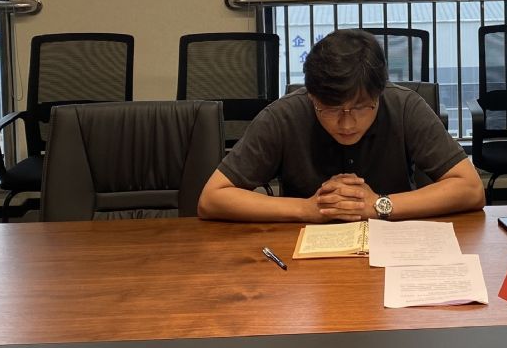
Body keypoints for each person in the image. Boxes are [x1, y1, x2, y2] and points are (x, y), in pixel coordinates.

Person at [198, 28, 485, 222]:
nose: (347, 124)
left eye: (360, 108)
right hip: (302, 257)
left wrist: (378, 205)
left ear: (379, 93)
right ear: (312, 96)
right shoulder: (283, 115)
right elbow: (212, 198)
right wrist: (307, 208)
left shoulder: (404, 106)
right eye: (331, 109)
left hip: (394, 245)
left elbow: (471, 188)